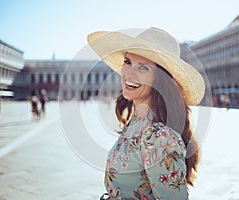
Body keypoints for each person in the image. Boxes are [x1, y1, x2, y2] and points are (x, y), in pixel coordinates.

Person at [88, 27, 205, 199]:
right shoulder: (136, 123)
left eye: (143, 68)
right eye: (127, 62)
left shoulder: (158, 137)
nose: (129, 73)